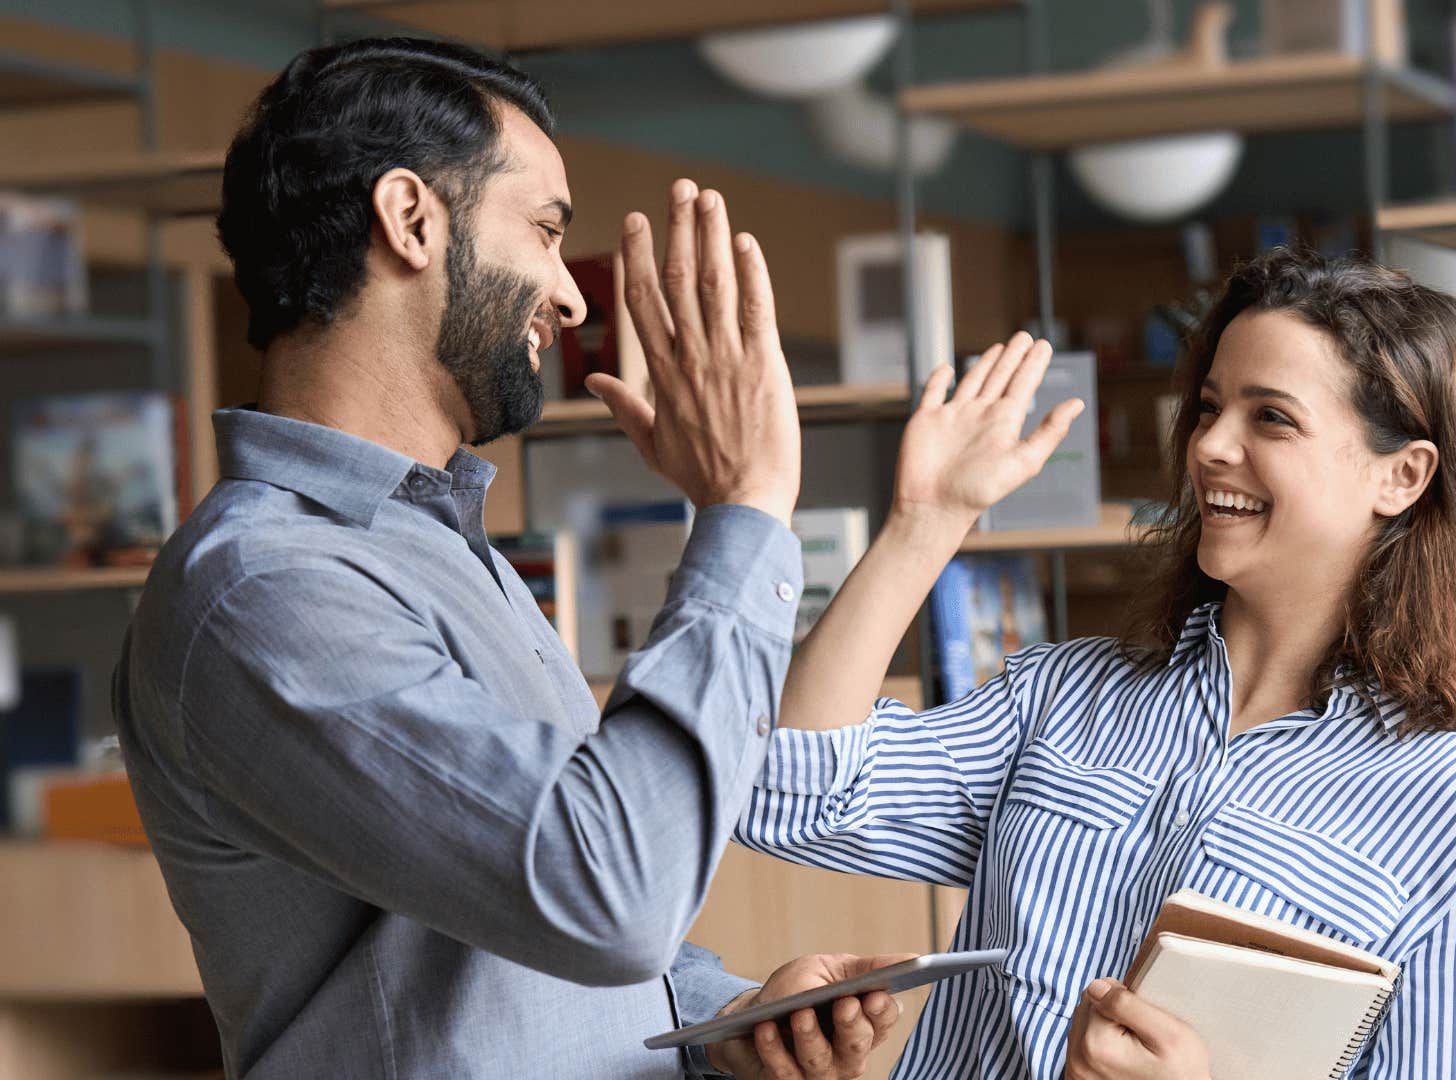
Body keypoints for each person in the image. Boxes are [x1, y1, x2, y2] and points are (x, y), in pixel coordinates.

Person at [113, 37, 907, 1080]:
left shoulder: (438, 548)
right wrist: (746, 508)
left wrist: (729, 1024)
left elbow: (540, 937)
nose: (570, 297)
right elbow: (606, 892)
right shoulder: (263, 590)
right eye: (542, 230)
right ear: (410, 219)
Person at [718, 249, 1456, 1077]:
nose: (1207, 446)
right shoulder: (1062, 696)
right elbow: (790, 791)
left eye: (1270, 416)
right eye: (1209, 407)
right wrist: (924, 522)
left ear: (1403, 476)